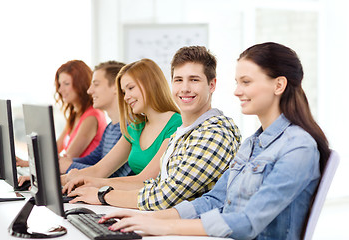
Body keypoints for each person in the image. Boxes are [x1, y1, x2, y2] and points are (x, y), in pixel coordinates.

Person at [99, 42, 331, 240]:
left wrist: (162, 225)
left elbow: (248, 222)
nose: (237, 91)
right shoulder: (253, 143)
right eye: (237, 82)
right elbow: (214, 200)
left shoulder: (298, 147)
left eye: (246, 82)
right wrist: (147, 218)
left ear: (278, 85)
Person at [64, 46, 241, 210]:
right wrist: (90, 183)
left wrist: (102, 194)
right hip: (161, 217)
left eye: (194, 80)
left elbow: (164, 195)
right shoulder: (183, 132)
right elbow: (155, 186)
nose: (185, 88)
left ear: (212, 85)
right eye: (178, 80)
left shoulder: (213, 133)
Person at [60, 58, 182, 187]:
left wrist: (92, 182)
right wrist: (61, 180)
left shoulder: (176, 125)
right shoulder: (136, 127)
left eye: (130, 88)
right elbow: (99, 170)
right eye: (124, 92)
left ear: (149, 84)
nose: (126, 97)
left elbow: (144, 180)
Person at [16, 60, 107, 167]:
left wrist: (27, 164)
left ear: (81, 84)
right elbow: (53, 152)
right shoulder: (75, 115)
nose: (60, 89)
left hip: (80, 178)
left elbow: (66, 159)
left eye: (66, 84)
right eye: (59, 84)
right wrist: (27, 162)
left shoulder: (92, 117)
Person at [58, 61, 132, 177]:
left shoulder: (130, 128)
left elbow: (110, 174)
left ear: (116, 86)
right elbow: (94, 160)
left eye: (96, 84)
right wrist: (65, 163)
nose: (89, 91)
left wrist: (69, 166)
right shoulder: (110, 128)